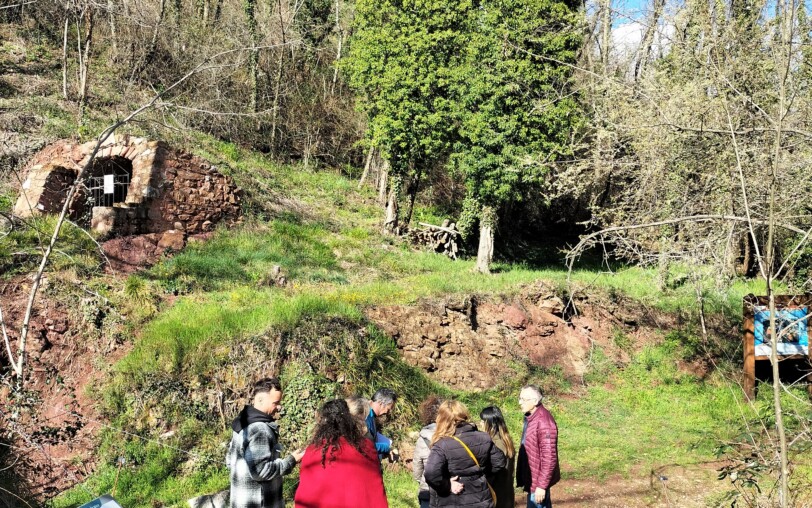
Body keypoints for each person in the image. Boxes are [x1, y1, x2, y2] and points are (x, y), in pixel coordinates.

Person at [294, 399, 389, 508]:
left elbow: (306, 494)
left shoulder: (313, 451)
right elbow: (374, 493)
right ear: (350, 420)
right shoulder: (366, 447)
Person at [227, 377, 304, 508]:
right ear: (260, 400)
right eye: (275, 403)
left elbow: (230, 461)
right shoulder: (259, 429)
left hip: (240, 500)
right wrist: (291, 460)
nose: (279, 407)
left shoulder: (243, 422)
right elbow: (261, 471)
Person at [423, 400, 507, 508]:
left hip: (451, 501)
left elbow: (430, 473)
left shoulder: (441, 444)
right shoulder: (484, 437)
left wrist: (447, 485)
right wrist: (480, 475)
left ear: (442, 419)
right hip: (481, 500)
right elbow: (499, 462)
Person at [516, 385, 560, 508]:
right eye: (520, 398)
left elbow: (549, 458)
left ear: (535, 401)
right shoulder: (532, 417)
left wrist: (541, 486)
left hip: (538, 483)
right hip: (533, 479)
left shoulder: (544, 422)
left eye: (523, 399)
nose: (520, 402)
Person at [480, 406, 516, 508]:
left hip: (496, 496)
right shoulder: (506, 440)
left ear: (490, 423)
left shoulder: (494, 444)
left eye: (482, 421)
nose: (480, 423)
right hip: (506, 495)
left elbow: (492, 473)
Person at [412, 395, 443, 508]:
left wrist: (421, 480)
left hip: (427, 490)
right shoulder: (452, 435)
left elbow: (417, 468)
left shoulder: (422, 438)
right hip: (449, 489)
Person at [366, 388, 397, 455]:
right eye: (388, 409)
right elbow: (366, 447)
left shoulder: (370, 414)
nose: (387, 412)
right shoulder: (365, 415)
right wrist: (386, 448)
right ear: (380, 403)